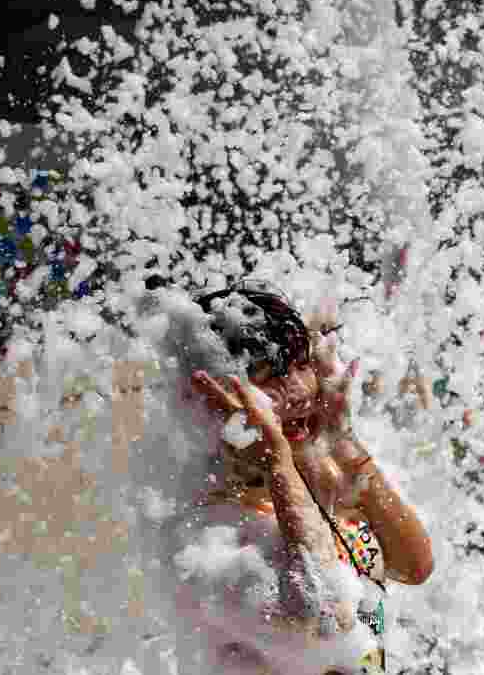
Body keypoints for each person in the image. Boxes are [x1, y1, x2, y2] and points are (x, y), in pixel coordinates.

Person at [156, 283, 433, 675]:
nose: (301, 391)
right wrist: (276, 461)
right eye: (271, 376)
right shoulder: (206, 528)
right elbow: (325, 615)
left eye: (301, 365)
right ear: (211, 396)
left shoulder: (324, 476)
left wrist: (345, 442)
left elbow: (415, 566)